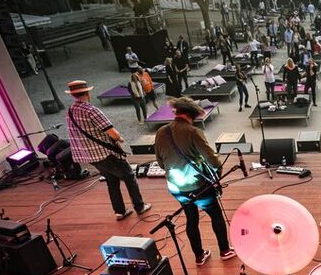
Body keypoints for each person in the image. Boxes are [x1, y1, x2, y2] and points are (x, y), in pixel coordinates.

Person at [153, 97, 236, 265]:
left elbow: (161, 162)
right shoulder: (192, 132)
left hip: (176, 187)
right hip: (199, 186)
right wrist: (216, 176)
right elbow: (213, 161)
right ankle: (225, 250)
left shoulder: (161, 131)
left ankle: (199, 256)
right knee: (215, 214)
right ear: (192, 115)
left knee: (191, 218)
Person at [64, 80, 150, 220]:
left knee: (111, 180)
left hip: (90, 156)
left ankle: (120, 212)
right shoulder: (91, 110)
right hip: (105, 153)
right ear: (87, 93)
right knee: (129, 177)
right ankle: (140, 206)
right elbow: (112, 133)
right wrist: (119, 139)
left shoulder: (70, 111)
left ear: (73, 95)